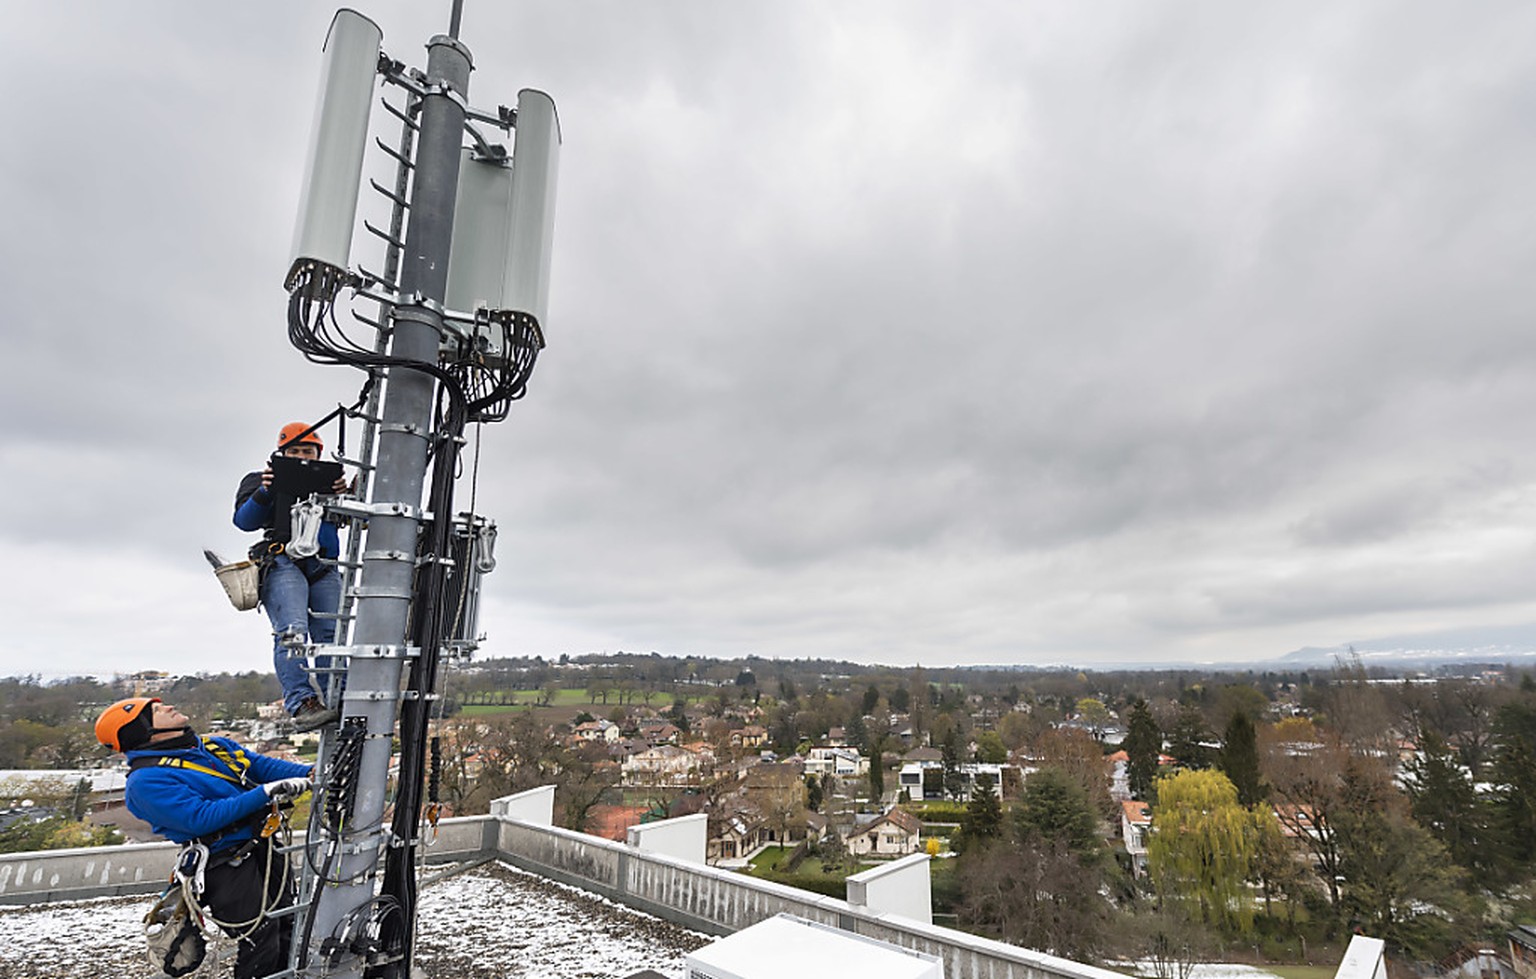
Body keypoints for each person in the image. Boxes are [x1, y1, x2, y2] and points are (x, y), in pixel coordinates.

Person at [96, 697, 313, 979]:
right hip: (222, 863)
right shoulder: (145, 781)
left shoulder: (209, 746)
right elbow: (201, 817)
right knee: (259, 936)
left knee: (286, 922)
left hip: (261, 846)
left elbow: (258, 766)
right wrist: (265, 793)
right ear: (142, 731)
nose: (168, 707)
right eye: (157, 712)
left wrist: (309, 773)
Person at [235, 422, 349, 731]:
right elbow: (244, 521)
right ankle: (302, 703)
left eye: (307, 451)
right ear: (281, 454)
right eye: (294, 452)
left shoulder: (330, 484)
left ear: (318, 454)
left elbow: (354, 521)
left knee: (331, 637)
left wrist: (345, 496)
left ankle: (341, 699)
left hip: (322, 565)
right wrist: (265, 491)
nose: (302, 457)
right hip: (283, 560)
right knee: (292, 632)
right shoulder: (261, 481)